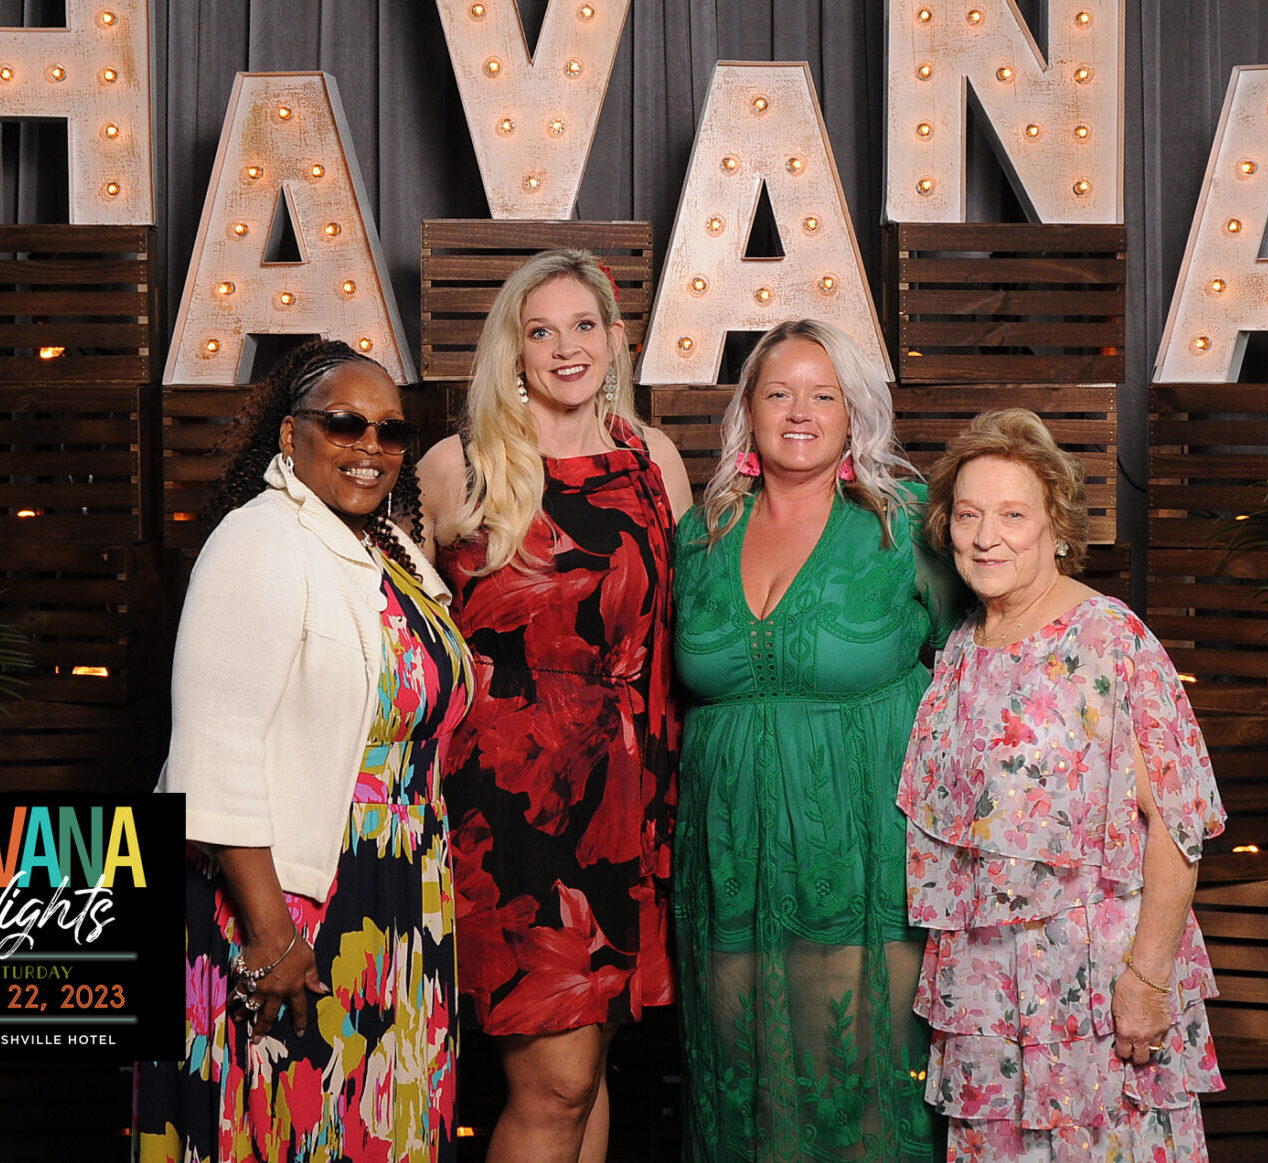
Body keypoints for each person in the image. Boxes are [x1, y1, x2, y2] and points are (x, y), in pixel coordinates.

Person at [136, 339, 473, 1163]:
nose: (370, 446)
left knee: (376, 1125)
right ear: (292, 435)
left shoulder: (382, 549)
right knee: (286, 1123)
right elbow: (214, 751)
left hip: (398, 892)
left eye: (390, 430)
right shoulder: (259, 539)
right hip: (293, 900)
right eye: (345, 423)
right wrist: (271, 933)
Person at [418, 248, 692, 1163]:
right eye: (541, 331)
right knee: (556, 1080)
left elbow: (682, 628)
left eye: (583, 326)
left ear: (613, 340)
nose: (566, 347)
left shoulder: (652, 459)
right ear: (514, 348)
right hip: (510, 811)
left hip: (629, 802)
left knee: (591, 1069)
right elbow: (396, 634)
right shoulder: (458, 467)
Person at [670, 319, 968, 1163]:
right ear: (748, 410)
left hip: (863, 857)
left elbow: (982, 665)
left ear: (852, 414)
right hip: (728, 867)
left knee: (857, 1086)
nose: (799, 412)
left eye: (822, 395)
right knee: (743, 1091)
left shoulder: (902, 522)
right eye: (778, 392)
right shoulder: (700, 532)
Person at [897, 408, 1226, 1162]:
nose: (987, 536)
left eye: (1013, 515)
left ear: (1055, 527)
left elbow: (1177, 828)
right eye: (969, 515)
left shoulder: (1110, 638)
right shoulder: (961, 648)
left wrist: (1147, 979)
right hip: (987, 1002)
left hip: (1094, 997)